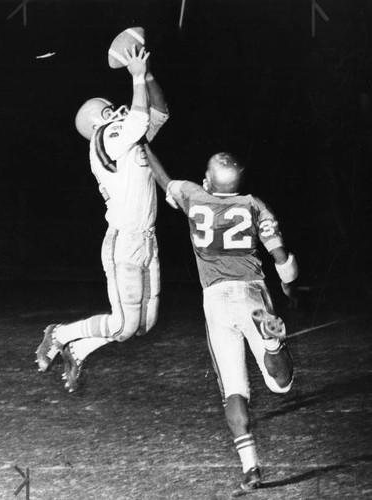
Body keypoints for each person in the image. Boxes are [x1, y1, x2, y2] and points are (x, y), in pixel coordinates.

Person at [144, 145, 297, 494]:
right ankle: (272, 341)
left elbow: (163, 179)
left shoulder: (194, 197)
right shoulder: (253, 204)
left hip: (216, 300)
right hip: (253, 294)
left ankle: (251, 468)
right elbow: (281, 256)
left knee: (233, 389)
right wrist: (291, 289)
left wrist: (145, 145)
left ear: (208, 181)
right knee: (282, 385)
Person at [35, 45, 169, 393]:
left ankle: (77, 349)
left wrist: (148, 74)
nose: (121, 108)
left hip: (146, 239)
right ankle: (60, 333)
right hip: (124, 240)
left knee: (143, 325)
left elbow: (158, 114)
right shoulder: (106, 136)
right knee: (124, 326)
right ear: (99, 119)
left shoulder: (128, 137)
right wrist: (135, 75)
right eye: (110, 109)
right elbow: (140, 117)